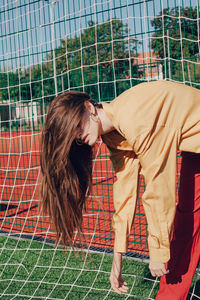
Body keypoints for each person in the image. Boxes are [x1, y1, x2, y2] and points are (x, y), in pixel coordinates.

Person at [39, 80, 200, 296]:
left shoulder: (134, 118)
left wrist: (158, 249)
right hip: (195, 150)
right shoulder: (114, 135)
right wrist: (117, 259)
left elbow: (159, 184)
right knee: (187, 221)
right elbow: (124, 195)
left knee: (183, 224)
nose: (78, 136)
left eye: (77, 127)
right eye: (72, 137)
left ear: (89, 108)